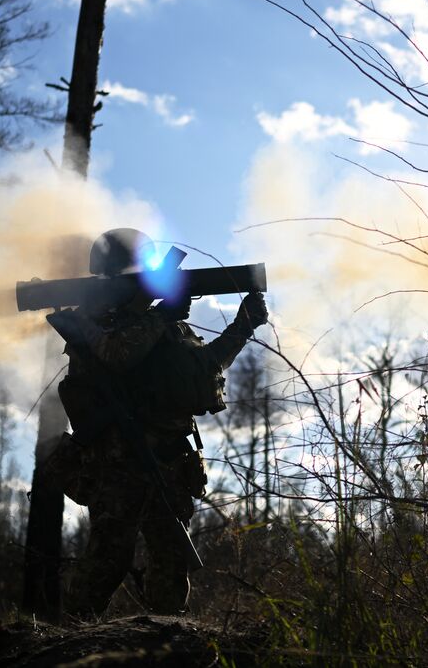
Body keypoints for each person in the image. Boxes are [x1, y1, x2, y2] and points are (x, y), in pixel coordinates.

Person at [49, 228, 268, 618]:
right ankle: (71, 641)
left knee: (169, 562)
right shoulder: (89, 322)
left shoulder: (161, 323)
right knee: (107, 561)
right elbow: (118, 355)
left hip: (169, 462)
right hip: (119, 463)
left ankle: (165, 644)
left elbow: (202, 370)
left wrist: (242, 327)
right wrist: (161, 314)